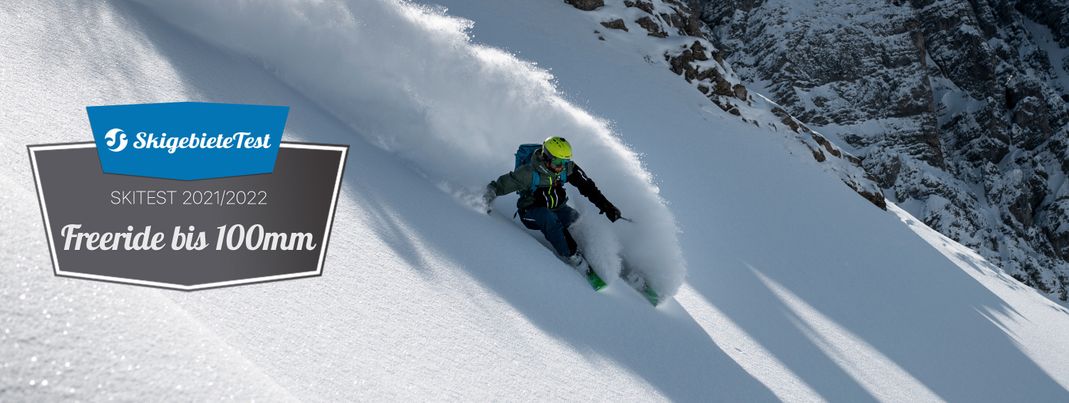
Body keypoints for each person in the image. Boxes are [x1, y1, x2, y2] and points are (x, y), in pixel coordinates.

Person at [483, 136, 622, 267]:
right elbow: (500, 185)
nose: (561, 166)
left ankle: (611, 256)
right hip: (531, 211)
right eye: (557, 162)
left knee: (578, 222)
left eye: (564, 162)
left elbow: (588, 188)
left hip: (559, 208)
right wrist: (486, 198)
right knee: (550, 220)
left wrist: (607, 206)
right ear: (546, 157)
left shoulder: (566, 169)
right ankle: (574, 256)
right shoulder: (528, 173)